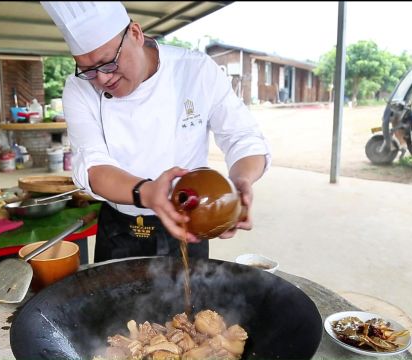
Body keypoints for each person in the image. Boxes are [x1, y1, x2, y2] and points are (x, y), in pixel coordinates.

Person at [41, 1, 271, 262]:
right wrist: (148, 193)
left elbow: (243, 137)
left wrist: (242, 180)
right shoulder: (78, 89)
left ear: (136, 34)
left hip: (190, 220)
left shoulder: (195, 70)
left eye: (108, 63)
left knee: (193, 302)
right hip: (119, 228)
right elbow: (93, 167)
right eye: (88, 70)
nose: (102, 79)